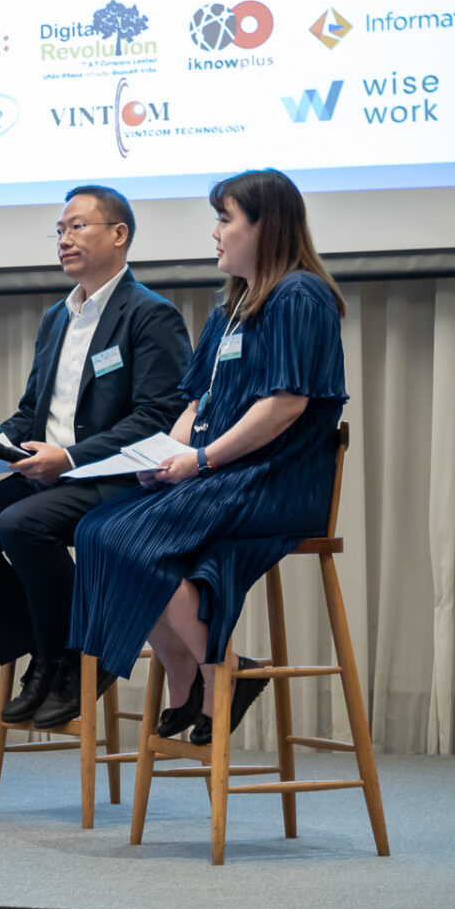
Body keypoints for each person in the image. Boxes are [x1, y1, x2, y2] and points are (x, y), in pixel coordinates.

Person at [70, 169, 348, 743]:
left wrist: (200, 462)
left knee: (129, 539)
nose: (215, 233)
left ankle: (220, 670)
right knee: (97, 529)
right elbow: (196, 402)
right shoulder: (230, 308)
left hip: (276, 477)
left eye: (225, 219)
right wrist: (164, 457)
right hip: (223, 474)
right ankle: (189, 671)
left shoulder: (299, 295)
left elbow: (285, 406)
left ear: (266, 227)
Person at [0, 186, 191, 728]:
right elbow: (33, 411)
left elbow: (157, 417)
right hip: (49, 474)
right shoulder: (57, 317)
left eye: (77, 226)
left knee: (21, 525)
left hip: (113, 478)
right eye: (59, 230)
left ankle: (76, 657)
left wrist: (69, 458)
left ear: (119, 234)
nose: (64, 239)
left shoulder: (150, 314)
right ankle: (44, 654)